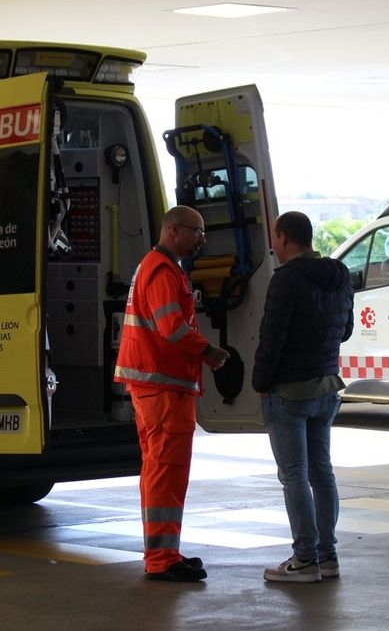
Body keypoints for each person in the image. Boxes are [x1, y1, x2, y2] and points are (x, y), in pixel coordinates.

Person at [114, 205, 230, 583]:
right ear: (173, 230)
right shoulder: (163, 271)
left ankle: (162, 552)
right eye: (196, 232)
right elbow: (172, 329)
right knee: (167, 472)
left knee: (157, 471)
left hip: (155, 387)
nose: (201, 240)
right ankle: (162, 558)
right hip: (163, 388)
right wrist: (209, 352)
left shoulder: (153, 266)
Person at [253, 211, 355, 583]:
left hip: (289, 392)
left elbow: (272, 338)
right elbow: (344, 331)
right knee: (322, 474)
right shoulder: (340, 275)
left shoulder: (286, 280)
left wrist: (260, 382)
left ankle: (304, 560)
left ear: (284, 237)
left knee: (294, 476)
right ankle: (327, 557)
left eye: (274, 239)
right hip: (327, 387)